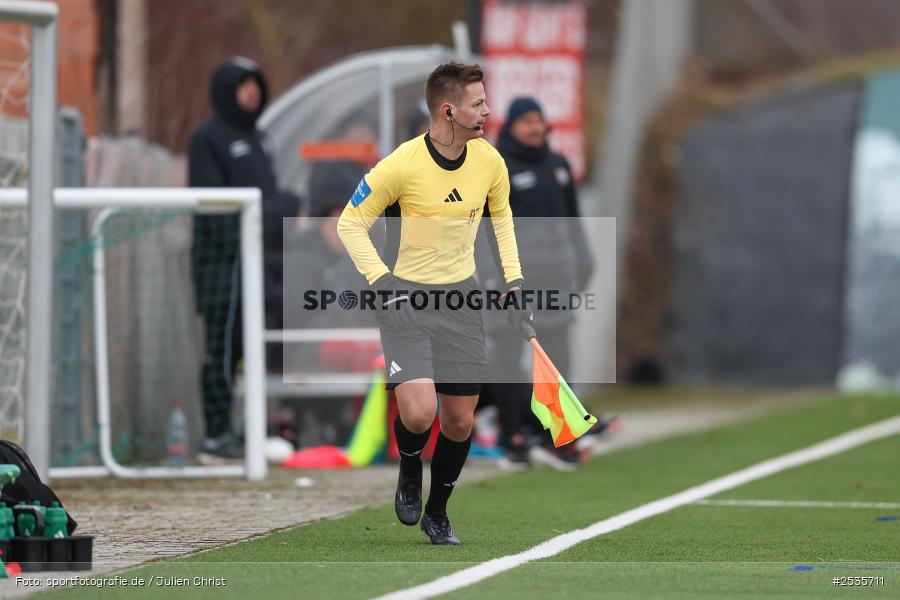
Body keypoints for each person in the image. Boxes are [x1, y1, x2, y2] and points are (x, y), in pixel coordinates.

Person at [337, 62, 530, 545]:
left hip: (463, 301)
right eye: (478, 104)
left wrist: (514, 281)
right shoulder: (400, 165)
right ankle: (408, 470)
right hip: (404, 299)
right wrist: (381, 282)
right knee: (420, 413)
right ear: (449, 110)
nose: (488, 111)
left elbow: (500, 222)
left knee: (461, 419)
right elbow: (349, 224)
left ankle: (438, 511)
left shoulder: (490, 162)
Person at [477, 96, 615, 471]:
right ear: (511, 127)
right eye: (527, 121)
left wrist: (584, 260)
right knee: (509, 361)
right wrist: (492, 276)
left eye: (540, 120)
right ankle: (513, 440)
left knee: (557, 362)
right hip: (514, 284)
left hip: (555, 282)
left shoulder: (558, 166)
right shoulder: (497, 167)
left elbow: (573, 219)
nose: (536, 127)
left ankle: (558, 438)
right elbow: (485, 227)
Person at [189, 56, 297, 464]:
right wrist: (276, 208)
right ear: (226, 90)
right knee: (222, 349)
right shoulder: (208, 139)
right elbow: (214, 207)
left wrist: (280, 211)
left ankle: (250, 430)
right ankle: (216, 435)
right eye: (243, 84)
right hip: (222, 267)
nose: (252, 92)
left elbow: (267, 203)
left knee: (254, 347)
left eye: (257, 84)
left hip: (258, 265)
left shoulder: (260, 138)